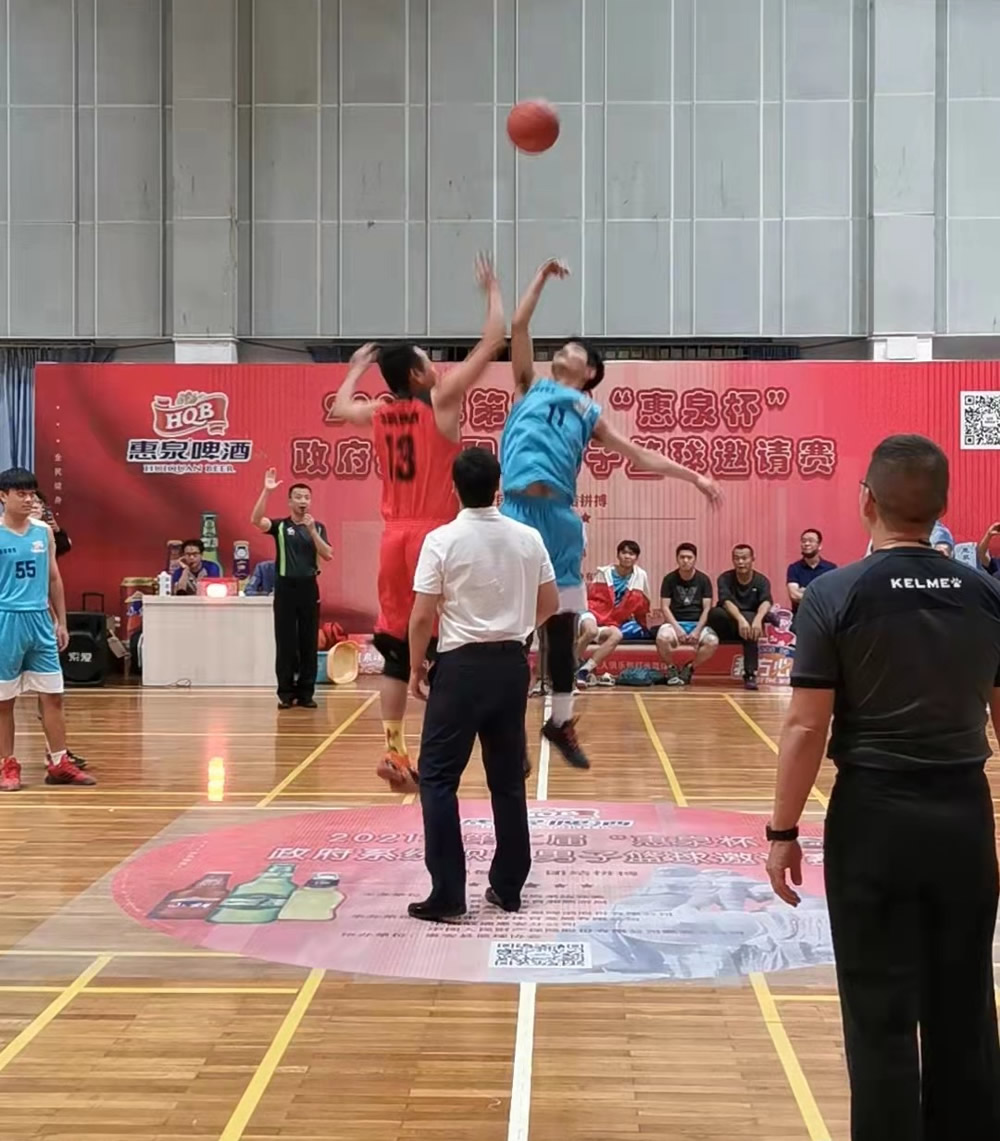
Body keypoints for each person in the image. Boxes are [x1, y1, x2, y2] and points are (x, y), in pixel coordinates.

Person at [766, 434, 1000, 1141]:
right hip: (964, 816)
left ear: (866, 499)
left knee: (878, 1008)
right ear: (942, 507)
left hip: (873, 819)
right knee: (966, 1003)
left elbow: (807, 726)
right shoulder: (988, 595)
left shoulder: (834, 594)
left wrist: (782, 832)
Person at [503, 258, 721, 770]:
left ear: (589, 373)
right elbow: (518, 324)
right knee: (513, 630)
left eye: (575, 350)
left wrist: (695, 476)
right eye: (562, 347)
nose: (564, 350)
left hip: (559, 519)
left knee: (561, 629)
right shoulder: (528, 385)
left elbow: (640, 455)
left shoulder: (590, 414)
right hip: (516, 513)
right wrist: (540, 278)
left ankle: (560, 722)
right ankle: (509, 734)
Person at [332, 254, 505, 793]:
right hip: (437, 535)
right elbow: (492, 342)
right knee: (450, 646)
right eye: (430, 361)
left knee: (393, 649)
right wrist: (492, 289)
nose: (437, 367)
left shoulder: (381, 413)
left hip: (394, 538)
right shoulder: (441, 399)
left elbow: (340, 408)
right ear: (416, 374)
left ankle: (393, 750)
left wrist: (356, 368)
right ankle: (453, 750)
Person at [406, 448, 558, 921]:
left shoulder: (441, 540)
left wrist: (416, 668)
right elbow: (550, 603)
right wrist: (518, 632)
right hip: (511, 666)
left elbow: (421, 617)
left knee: (437, 779)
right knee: (507, 780)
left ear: (453, 488)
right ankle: (509, 888)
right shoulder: (528, 538)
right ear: (499, 488)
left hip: (460, 668)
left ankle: (449, 893)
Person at [0, 467, 96, 791]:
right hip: (6, 620)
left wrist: (61, 621)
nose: (29, 500)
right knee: (4, 700)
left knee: (53, 695)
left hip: (40, 621)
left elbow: (54, 578)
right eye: (21, 494)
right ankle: (7, 766)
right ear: (3, 496)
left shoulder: (43, 532)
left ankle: (58, 763)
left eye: (31, 494)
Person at [251, 473, 333, 708]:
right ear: (290, 501)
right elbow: (256, 520)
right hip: (285, 588)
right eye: (298, 497)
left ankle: (306, 694)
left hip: (309, 587)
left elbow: (328, 554)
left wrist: (312, 531)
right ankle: (286, 694)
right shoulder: (280, 526)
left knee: (308, 641)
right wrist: (267, 491)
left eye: (306, 497)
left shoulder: (318, 527)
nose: (302, 501)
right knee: (285, 642)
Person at [709, 545, 774, 690]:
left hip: (750, 622)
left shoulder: (762, 581)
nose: (740, 562)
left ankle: (750, 674)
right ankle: (765, 618)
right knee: (715, 613)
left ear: (752, 559)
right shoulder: (725, 578)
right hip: (731, 620)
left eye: (744, 558)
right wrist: (741, 620)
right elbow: (726, 602)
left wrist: (758, 619)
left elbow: (766, 601)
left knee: (751, 624)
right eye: (737, 558)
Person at [655, 542, 719, 686]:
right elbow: (665, 607)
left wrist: (697, 631)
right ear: (677, 559)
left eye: (689, 557)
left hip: (698, 624)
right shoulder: (669, 579)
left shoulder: (703, 579)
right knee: (662, 638)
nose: (685, 561)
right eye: (682, 557)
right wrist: (677, 629)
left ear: (695, 559)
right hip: (675, 623)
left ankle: (690, 668)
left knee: (712, 641)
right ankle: (671, 668)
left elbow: (707, 608)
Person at [786, 528, 836, 612]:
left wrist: (804, 592)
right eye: (803, 541)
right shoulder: (794, 568)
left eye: (811, 540)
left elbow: (832, 596)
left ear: (820, 546)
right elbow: (794, 595)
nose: (806, 544)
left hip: (824, 615)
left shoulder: (831, 569)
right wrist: (820, 596)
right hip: (801, 614)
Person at [575, 610, 621, 688]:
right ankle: (570, 668)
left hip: (597, 622)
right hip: (580, 615)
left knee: (616, 634)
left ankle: (583, 671)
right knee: (591, 631)